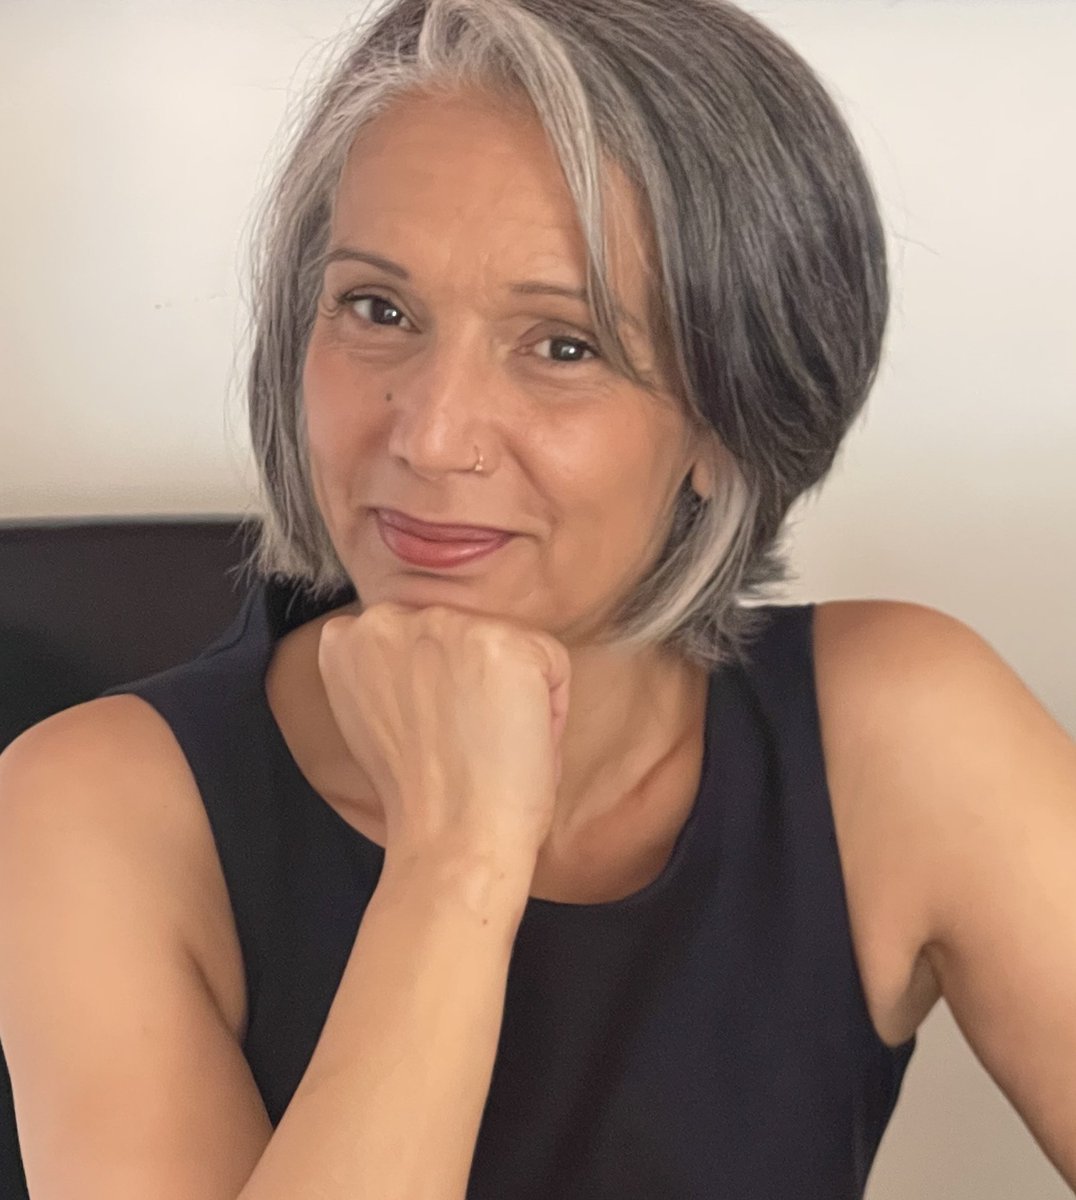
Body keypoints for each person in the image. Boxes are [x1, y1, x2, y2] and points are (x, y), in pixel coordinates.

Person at [1, 0, 1074, 1196]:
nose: (431, 435)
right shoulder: (92, 809)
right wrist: (455, 859)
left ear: (727, 418)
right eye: (377, 310)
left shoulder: (901, 732)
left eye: (562, 345)